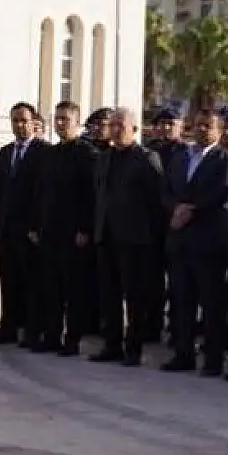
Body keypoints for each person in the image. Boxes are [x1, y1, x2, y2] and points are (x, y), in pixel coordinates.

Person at [161, 108, 228, 375]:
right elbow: (166, 189)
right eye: (198, 125)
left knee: (211, 304)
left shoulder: (227, 160)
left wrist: (191, 209)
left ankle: (213, 359)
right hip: (180, 239)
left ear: (218, 130)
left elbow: (224, 192)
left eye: (208, 126)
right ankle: (183, 354)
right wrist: (175, 208)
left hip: (208, 242)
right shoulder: (180, 157)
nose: (202, 130)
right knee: (182, 301)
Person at [91, 108, 165, 365]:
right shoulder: (104, 158)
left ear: (134, 129)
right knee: (108, 294)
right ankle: (111, 344)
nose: (115, 130)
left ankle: (133, 348)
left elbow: (156, 201)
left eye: (121, 126)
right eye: (112, 125)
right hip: (106, 235)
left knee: (134, 297)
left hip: (135, 238)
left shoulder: (146, 158)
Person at [29, 101, 97, 356]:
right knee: (51, 287)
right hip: (49, 230)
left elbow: (91, 196)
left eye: (65, 119)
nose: (60, 123)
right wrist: (36, 225)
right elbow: (39, 192)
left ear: (77, 123)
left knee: (74, 289)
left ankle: (73, 338)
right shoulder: (49, 154)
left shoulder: (88, 154)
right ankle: (52, 334)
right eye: (57, 119)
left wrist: (85, 228)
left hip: (73, 233)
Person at [0, 103, 47, 344]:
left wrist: (37, 226)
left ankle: (33, 330)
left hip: (29, 229)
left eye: (23, 120)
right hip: (6, 229)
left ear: (34, 123)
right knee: (9, 280)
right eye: (15, 121)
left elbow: (43, 193)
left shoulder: (43, 152)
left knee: (32, 282)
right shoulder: (5, 152)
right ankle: (9, 327)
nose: (19, 125)